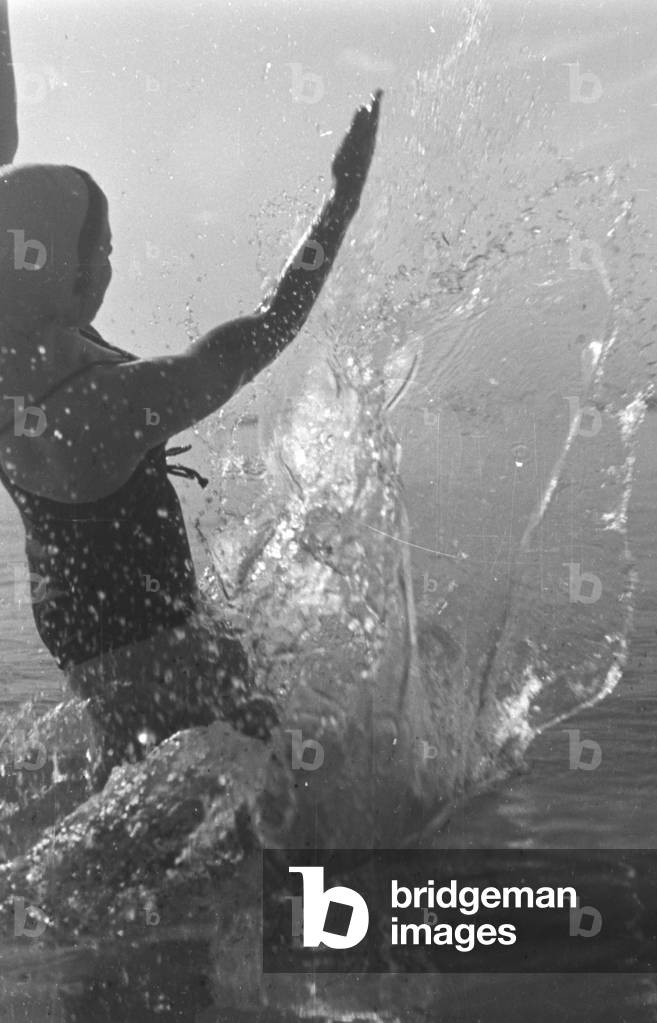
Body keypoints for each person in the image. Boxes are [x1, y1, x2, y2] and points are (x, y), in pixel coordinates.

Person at [0, 0, 382, 788]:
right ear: (66, 271)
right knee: (284, 808)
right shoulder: (112, 399)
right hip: (187, 676)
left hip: (93, 652)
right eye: (101, 248)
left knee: (125, 795)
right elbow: (270, 327)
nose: (112, 262)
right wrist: (341, 200)